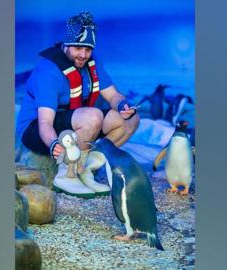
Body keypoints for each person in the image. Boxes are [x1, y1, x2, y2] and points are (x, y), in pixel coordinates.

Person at [16, 11, 140, 198]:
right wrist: (52, 144)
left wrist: (122, 104)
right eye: (77, 48)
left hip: (77, 123)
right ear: (66, 45)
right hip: (36, 129)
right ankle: (66, 176)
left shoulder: (92, 62)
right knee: (93, 116)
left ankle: (85, 169)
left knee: (130, 119)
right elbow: (44, 123)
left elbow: (113, 95)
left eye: (88, 49)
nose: (83, 55)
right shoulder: (48, 71)